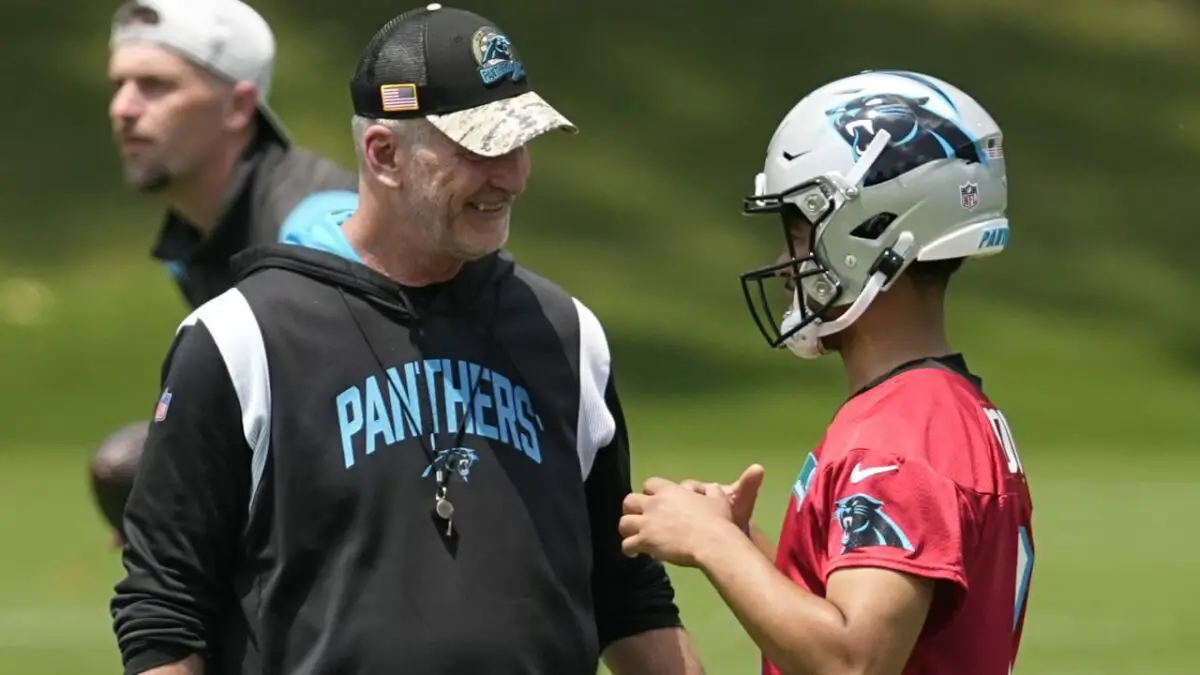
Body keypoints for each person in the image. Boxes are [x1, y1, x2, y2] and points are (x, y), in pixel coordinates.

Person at [110, 5, 704, 675]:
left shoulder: (567, 334)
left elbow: (626, 595)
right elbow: (164, 612)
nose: (511, 175)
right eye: (479, 148)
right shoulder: (238, 339)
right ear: (384, 155)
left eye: (520, 142)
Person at [618, 70, 1035, 675]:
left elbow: (853, 659)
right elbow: (865, 606)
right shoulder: (943, 410)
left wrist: (711, 544)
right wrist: (742, 541)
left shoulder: (902, 435)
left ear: (868, 232)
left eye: (797, 234)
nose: (786, 266)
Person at [93, 0, 358, 544]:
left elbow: (376, 413)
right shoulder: (197, 238)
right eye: (119, 84)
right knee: (132, 469)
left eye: (155, 85)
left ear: (239, 107)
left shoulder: (317, 229)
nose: (123, 107)